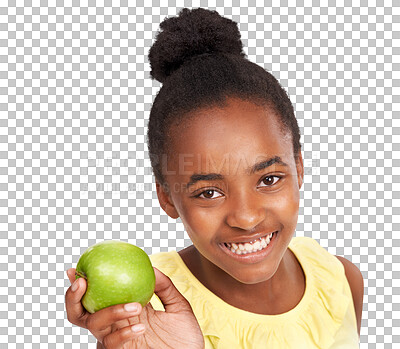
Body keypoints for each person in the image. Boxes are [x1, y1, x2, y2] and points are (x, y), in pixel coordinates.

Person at [65, 7, 364, 348]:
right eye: (208, 192)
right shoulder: (146, 314)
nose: (246, 217)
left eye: (268, 179)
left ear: (298, 166)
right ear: (166, 197)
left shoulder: (339, 279)